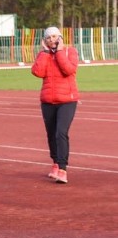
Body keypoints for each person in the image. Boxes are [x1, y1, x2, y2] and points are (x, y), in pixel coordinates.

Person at [32, 26, 78, 184]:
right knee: (51, 134)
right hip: (48, 101)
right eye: (48, 38)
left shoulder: (70, 52)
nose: (52, 40)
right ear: (44, 41)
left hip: (67, 101)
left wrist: (59, 52)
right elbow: (37, 72)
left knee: (61, 133)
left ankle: (63, 169)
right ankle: (55, 163)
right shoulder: (43, 55)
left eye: (54, 36)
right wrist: (45, 53)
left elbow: (69, 69)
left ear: (60, 37)